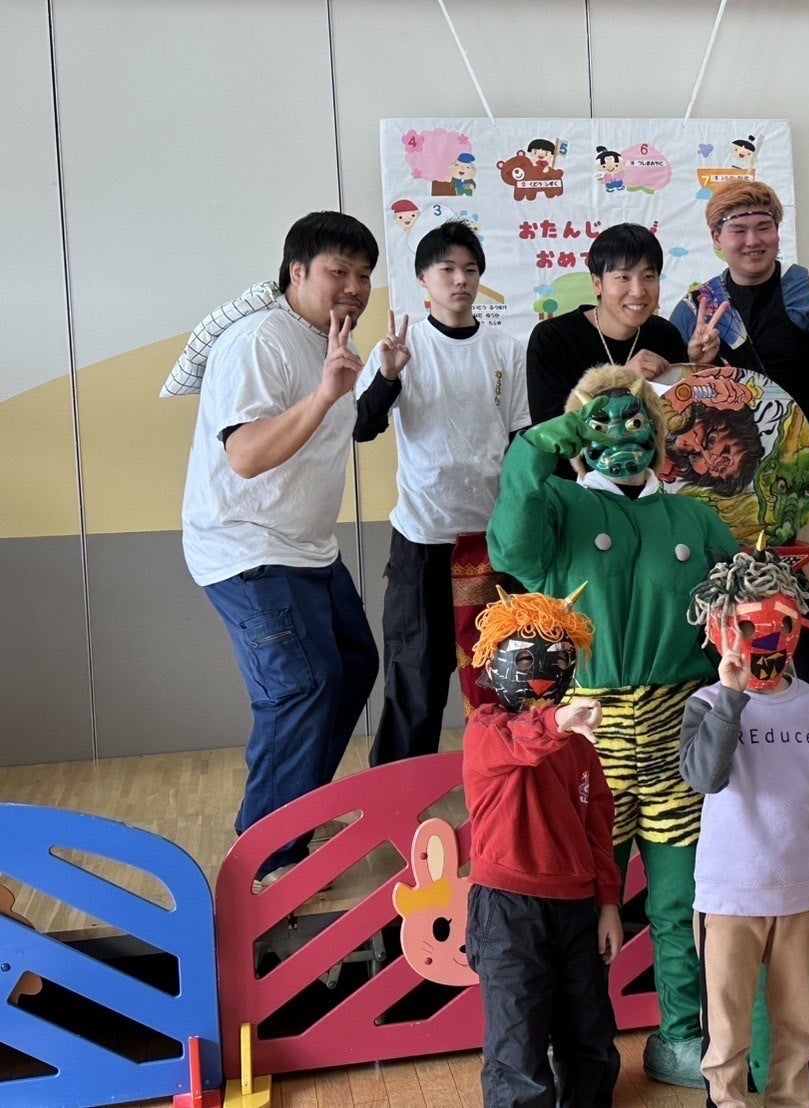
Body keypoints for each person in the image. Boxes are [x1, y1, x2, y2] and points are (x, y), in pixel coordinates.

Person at [487, 364, 738, 1089]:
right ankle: (579, 1050)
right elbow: (510, 546)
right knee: (576, 905)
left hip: (676, 727)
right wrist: (545, 443)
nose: (621, 437)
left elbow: (733, 609)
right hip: (584, 735)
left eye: (635, 423)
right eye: (601, 423)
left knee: (679, 899)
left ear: (657, 435)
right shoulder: (559, 504)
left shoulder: (694, 518)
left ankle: (683, 1033)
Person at [180, 211, 380, 883]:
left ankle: (294, 815)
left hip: (305, 546)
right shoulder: (259, 340)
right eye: (338, 272)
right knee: (303, 686)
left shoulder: (329, 337)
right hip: (245, 547)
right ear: (297, 272)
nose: (353, 287)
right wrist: (325, 393)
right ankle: (267, 858)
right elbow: (245, 455)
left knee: (352, 666)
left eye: (363, 275)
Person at [354, 219, 530, 765]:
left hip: (491, 542)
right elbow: (361, 427)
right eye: (447, 269)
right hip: (423, 538)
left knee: (502, 674)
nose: (461, 280)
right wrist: (387, 377)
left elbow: (521, 439)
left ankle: (503, 783)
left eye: (470, 269)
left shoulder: (506, 349)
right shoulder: (400, 348)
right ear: (422, 279)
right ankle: (396, 796)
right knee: (416, 678)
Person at [680, 549, 809, 1107]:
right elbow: (704, 777)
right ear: (720, 628)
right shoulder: (706, 703)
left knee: (801, 1025)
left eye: (779, 625)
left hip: (799, 898)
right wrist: (731, 698)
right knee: (726, 1029)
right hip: (728, 896)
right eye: (750, 627)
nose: (767, 640)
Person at [462, 587, 622, 1106]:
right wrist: (559, 721)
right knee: (518, 1047)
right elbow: (522, 743)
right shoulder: (485, 731)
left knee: (590, 1037)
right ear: (494, 663)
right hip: (507, 911)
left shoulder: (579, 747)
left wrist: (608, 904)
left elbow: (598, 826)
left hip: (577, 909)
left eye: (554, 661)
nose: (539, 675)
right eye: (526, 661)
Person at [670, 180, 809, 450]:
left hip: (803, 456)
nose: (753, 241)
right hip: (720, 462)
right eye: (739, 230)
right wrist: (696, 365)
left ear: (778, 232)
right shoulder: (697, 308)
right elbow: (669, 406)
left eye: (764, 228)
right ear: (717, 238)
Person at [526, 223, 713, 426]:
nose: (638, 291)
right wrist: (622, 382)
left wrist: (695, 367)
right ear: (597, 284)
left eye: (648, 277)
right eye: (623, 277)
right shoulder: (553, 339)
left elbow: (686, 424)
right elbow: (548, 432)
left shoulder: (665, 335)